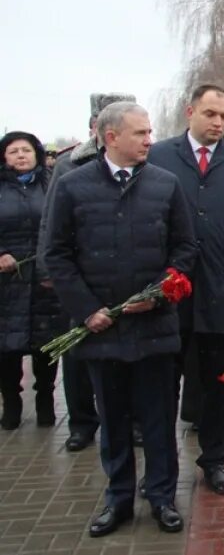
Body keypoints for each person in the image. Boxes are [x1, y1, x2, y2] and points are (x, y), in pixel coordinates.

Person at [44, 101, 198, 537]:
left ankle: (163, 498)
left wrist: (160, 295)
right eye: (141, 133)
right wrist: (86, 309)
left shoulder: (166, 185)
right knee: (112, 422)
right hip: (102, 329)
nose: (150, 140)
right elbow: (55, 253)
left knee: (158, 421)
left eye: (150, 132)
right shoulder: (73, 187)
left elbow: (186, 250)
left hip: (154, 328)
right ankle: (119, 500)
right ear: (111, 137)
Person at [147, 84, 224, 496]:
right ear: (189, 110)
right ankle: (160, 473)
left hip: (223, 293)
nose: (217, 123)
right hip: (169, 293)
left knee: (218, 386)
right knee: (161, 387)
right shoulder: (158, 157)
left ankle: (214, 461)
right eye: (210, 114)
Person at [38, 94, 132, 452]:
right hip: (80, 278)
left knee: (128, 355)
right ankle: (82, 423)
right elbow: (51, 224)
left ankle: (133, 422)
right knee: (77, 355)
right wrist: (51, 273)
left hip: (125, 276)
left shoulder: (143, 163)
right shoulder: (69, 166)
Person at [0, 131, 61, 430]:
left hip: (43, 278)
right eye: (13, 151)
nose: (21, 155)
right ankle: (11, 401)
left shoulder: (51, 185)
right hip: (7, 281)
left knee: (47, 343)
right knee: (6, 346)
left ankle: (46, 401)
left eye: (26, 150)